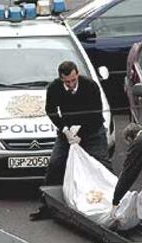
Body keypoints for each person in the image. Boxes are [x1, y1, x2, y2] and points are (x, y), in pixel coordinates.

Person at [30, 61, 111, 220]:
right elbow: (51, 110)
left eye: (74, 80)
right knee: (55, 164)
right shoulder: (54, 88)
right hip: (68, 131)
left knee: (102, 163)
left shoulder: (90, 86)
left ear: (77, 74)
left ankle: (112, 201)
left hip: (92, 130)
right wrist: (65, 130)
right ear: (61, 79)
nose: (71, 84)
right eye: (67, 82)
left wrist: (81, 133)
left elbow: (95, 114)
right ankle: (48, 205)